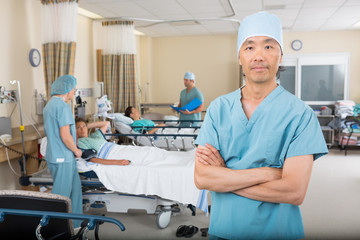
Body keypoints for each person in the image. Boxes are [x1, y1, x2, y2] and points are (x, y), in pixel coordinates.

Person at [194, 11, 328, 240]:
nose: (258, 56)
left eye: (268, 46)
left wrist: (225, 177)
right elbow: (203, 179)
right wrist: (267, 173)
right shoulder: (218, 109)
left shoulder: (300, 115)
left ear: (280, 56)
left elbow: (294, 191)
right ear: (239, 57)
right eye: (249, 47)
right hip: (224, 229)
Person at [43, 75, 83, 228]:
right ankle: (56, 228)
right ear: (67, 89)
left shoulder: (49, 106)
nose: (75, 91)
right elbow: (65, 136)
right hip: (63, 157)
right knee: (62, 197)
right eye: (74, 88)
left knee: (75, 193)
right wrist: (76, 151)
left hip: (58, 156)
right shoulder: (62, 107)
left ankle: (76, 226)